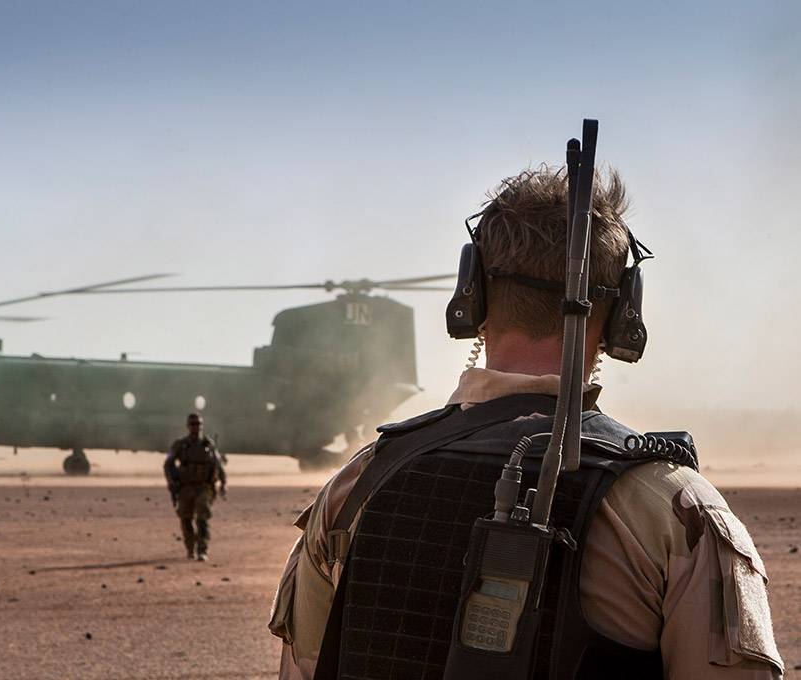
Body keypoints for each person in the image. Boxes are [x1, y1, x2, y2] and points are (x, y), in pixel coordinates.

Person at [268, 167, 783, 679]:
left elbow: (305, 666)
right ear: (625, 310)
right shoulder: (678, 509)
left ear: (472, 295)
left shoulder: (358, 485)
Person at [164, 412, 226, 561]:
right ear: (188, 426)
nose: (196, 427)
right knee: (186, 518)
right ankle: (190, 548)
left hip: (204, 487)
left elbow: (218, 465)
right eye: (193, 424)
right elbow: (168, 464)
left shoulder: (208, 444)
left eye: (198, 424)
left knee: (202, 517)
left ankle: (202, 550)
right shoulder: (180, 445)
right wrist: (172, 482)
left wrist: (223, 483)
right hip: (185, 487)